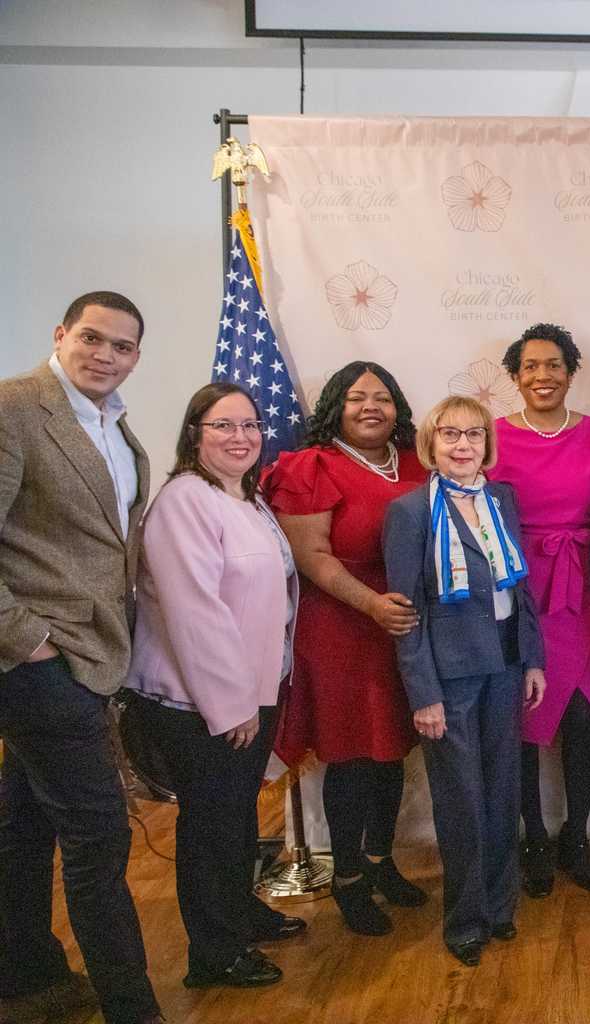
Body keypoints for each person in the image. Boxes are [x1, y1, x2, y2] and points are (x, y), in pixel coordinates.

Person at [0, 292, 163, 1024]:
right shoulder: (15, 407)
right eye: (92, 338)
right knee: (100, 838)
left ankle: (26, 974)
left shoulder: (115, 426)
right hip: (41, 662)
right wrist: (24, 638)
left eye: (122, 346)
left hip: (94, 653)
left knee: (25, 823)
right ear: (60, 333)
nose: (105, 354)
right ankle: (134, 1010)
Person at [125, 382, 304, 988]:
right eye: (223, 426)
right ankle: (214, 952)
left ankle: (240, 912)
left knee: (237, 815)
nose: (240, 437)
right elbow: (194, 612)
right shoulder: (183, 501)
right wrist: (231, 707)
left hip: (256, 688)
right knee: (211, 823)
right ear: (194, 433)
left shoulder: (245, 498)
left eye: (250, 426)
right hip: (202, 702)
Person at [264, 361, 430, 936]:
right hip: (341, 626)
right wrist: (372, 606)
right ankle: (349, 880)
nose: (371, 407)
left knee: (392, 750)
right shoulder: (312, 467)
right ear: (335, 405)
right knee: (354, 754)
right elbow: (312, 557)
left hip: (403, 627)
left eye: (382, 397)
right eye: (357, 397)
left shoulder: (415, 461)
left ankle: (382, 862)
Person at [384, 396, 547, 967]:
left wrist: (533, 659)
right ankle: (465, 919)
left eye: (473, 435)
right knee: (462, 801)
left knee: (504, 792)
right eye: (449, 434)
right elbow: (407, 613)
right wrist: (422, 692)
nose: (463, 445)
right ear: (431, 443)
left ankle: (501, 907)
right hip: (448, 679)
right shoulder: (408, 513)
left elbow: (519, 588)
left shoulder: (502, 498)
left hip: (504, 664)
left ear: (487, 444)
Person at [488, 323, 590, 898]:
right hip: (515, 590)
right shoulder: (489, 438)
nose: (543, 375)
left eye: (554, 365)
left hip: (582, 587)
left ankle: (577, 834)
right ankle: (532, 835)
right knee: (526, 719)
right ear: (515, 375)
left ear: (571, 372)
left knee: (582, 717)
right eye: (531, 366)